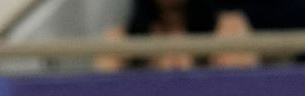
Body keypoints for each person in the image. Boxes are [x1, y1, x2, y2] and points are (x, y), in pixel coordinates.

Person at [95, 0, 259, 72]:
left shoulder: (230, 27)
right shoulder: (121, 39)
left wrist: (196, 69)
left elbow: (240, 87)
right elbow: (104, 95)